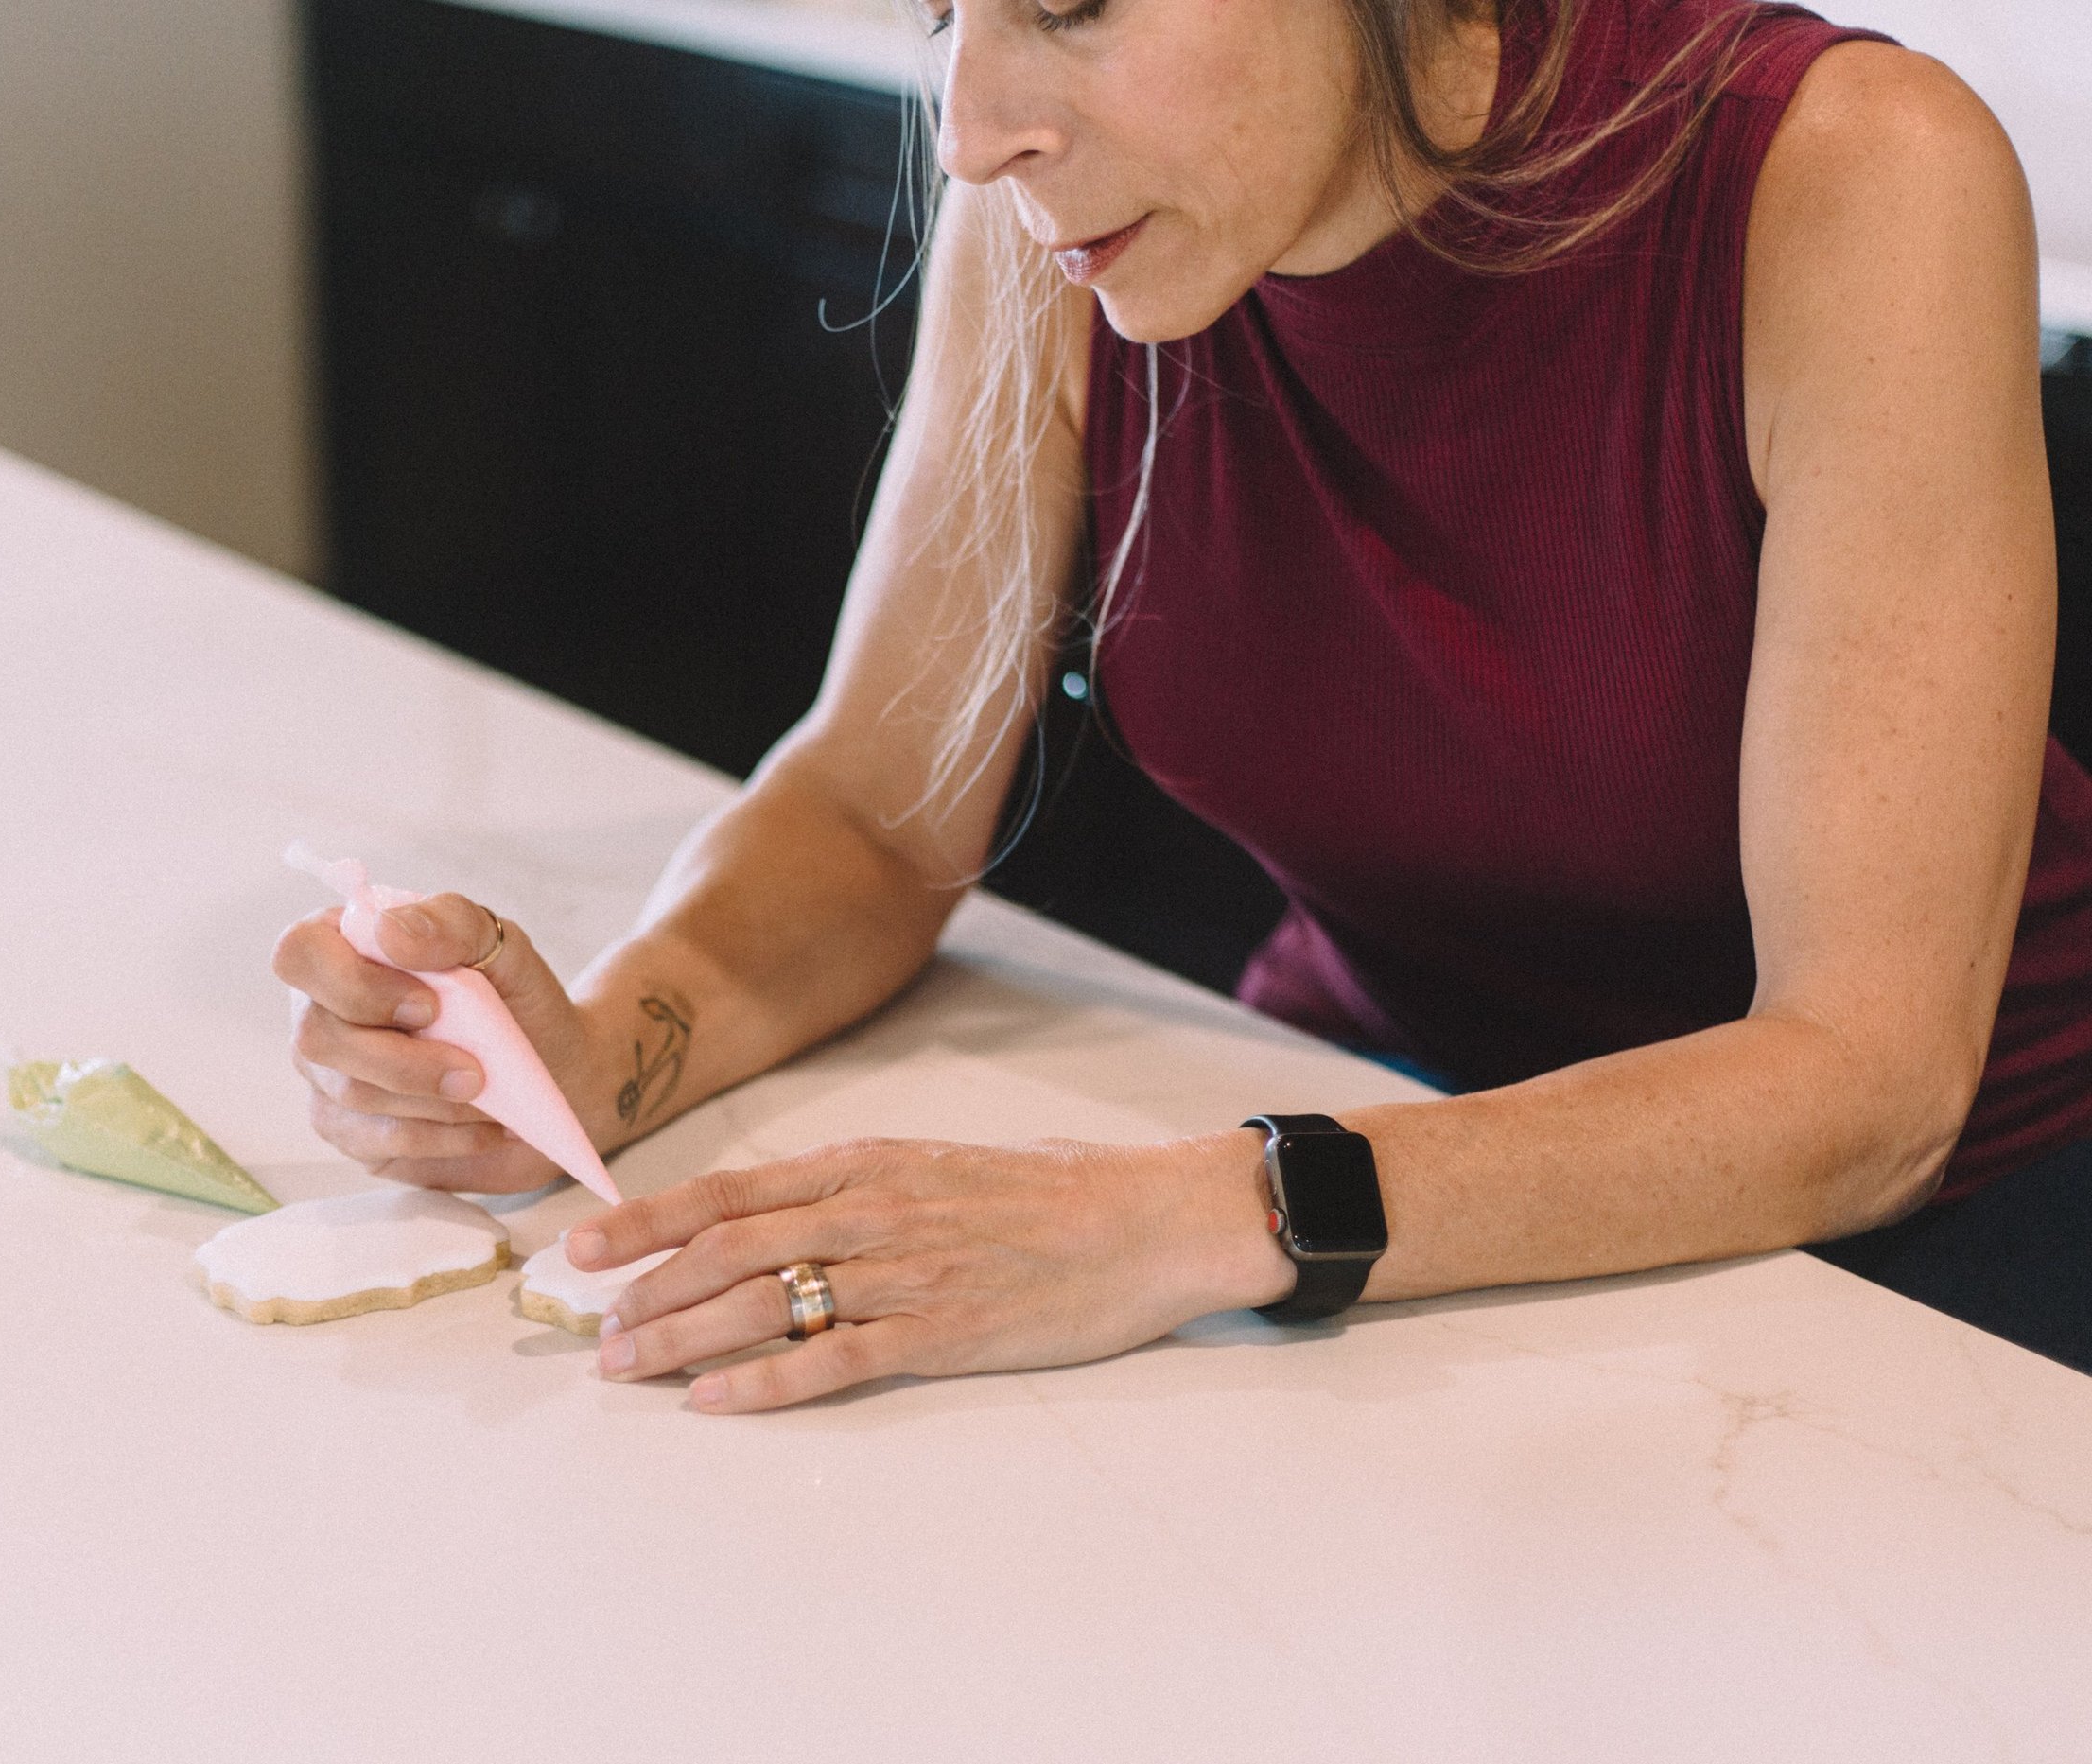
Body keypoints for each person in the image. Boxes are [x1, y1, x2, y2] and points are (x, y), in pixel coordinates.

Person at [273, 0, 2092, 1406]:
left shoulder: (1846, 175)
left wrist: (1182, 1216)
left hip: (1950, 1231)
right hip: (1354, 1106)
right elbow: (876, 813)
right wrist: (598, 1053)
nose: (977, 134)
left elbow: (1871, 1082)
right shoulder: (1075, 208)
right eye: (938, 12)